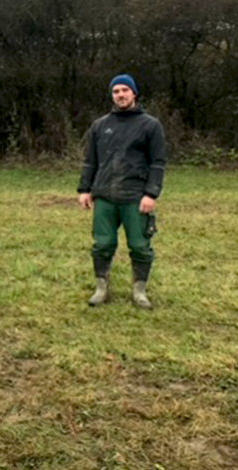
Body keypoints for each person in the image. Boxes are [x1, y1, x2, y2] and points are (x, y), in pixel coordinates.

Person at [77, 74, 167, 309]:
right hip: (105, 196)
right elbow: (90, 161)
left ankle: (139, 291)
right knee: (103, 244)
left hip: (135, 197)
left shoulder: (150, 125)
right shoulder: (100, 125)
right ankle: (101, 288)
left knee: (140, 246)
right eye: (116, 91)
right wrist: (85, 189)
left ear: (134, 93)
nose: (120, 95)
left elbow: (158, 163)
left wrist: (151, 194)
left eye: (125, 90)